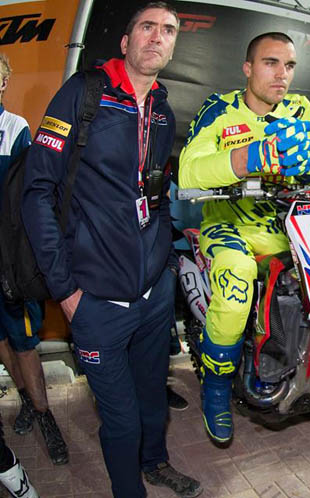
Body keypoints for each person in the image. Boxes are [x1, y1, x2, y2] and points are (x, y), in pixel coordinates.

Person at [22, 4, 201, 497]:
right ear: (126, 41)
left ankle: (155, 462)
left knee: (153, 402)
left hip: (153, 294)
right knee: (119, 422)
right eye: (147, 27)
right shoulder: (83, 93)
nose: (157, 37)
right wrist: (66, 290)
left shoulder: (163, 109)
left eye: (168, 30)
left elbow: (157, 193)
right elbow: (37, 192)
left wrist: (164, 262)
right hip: (94, 300)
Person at [179, 32, 310, 443]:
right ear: (247, 68)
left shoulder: (300, 108)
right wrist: (251, 157)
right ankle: (215, 388)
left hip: (283, 226)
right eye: (271, 63)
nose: (282, 75)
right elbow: (188, 173)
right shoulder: (219, 109)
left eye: (290, 65)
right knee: (237, 279)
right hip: (228, 224)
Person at [0, 53, 69, 466]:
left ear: (4, 83)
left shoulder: (15, 130)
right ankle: (26, 400)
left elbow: (27, 202)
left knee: (25, 342)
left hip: (9, 263)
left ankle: (46, 416)